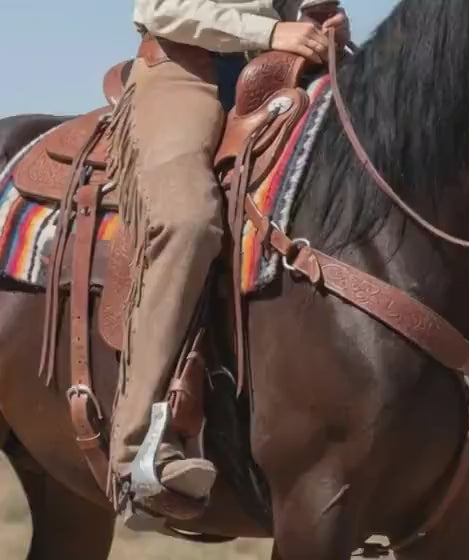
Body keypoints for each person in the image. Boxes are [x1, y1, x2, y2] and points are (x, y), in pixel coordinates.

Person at [108, 0, 351, 507]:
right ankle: (135, 450)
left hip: (281, 74)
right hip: (184, 69)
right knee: (189, 222)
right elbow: (159, 8)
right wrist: (271, 32)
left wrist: (320, 23)